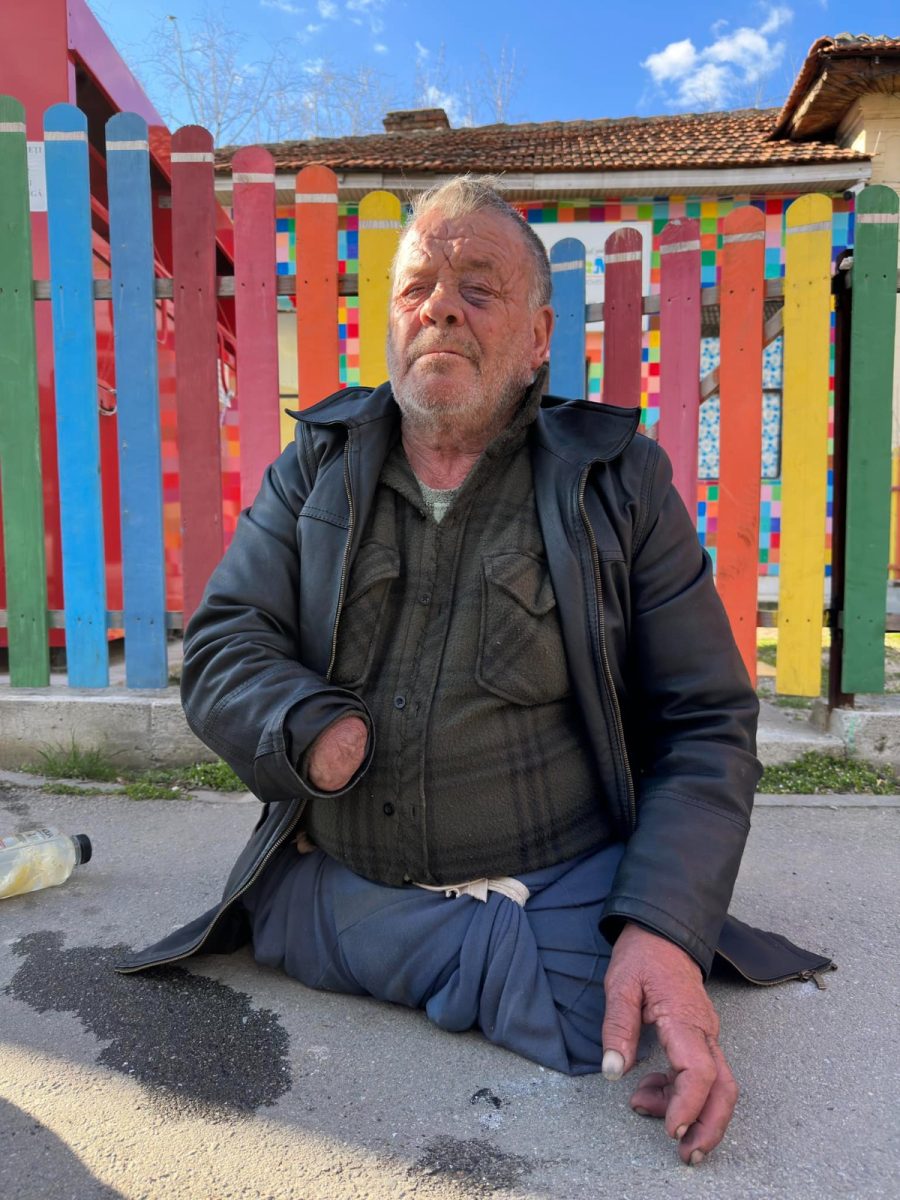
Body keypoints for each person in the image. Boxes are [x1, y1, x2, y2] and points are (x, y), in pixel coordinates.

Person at [119, 177, 814, 1167]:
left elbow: (704, 722)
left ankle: (394, 940)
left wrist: (664, 929)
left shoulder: (620, 481)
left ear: (538, 339)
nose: (440, 307)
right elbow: (227, 642)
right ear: (391, 324)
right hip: (344, 866)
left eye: (479, 288)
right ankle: (463, 949)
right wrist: (310, 728)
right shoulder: (314, 464)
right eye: (417, 288)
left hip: (554, 870)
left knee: (611, 1012)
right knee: (562, 999)